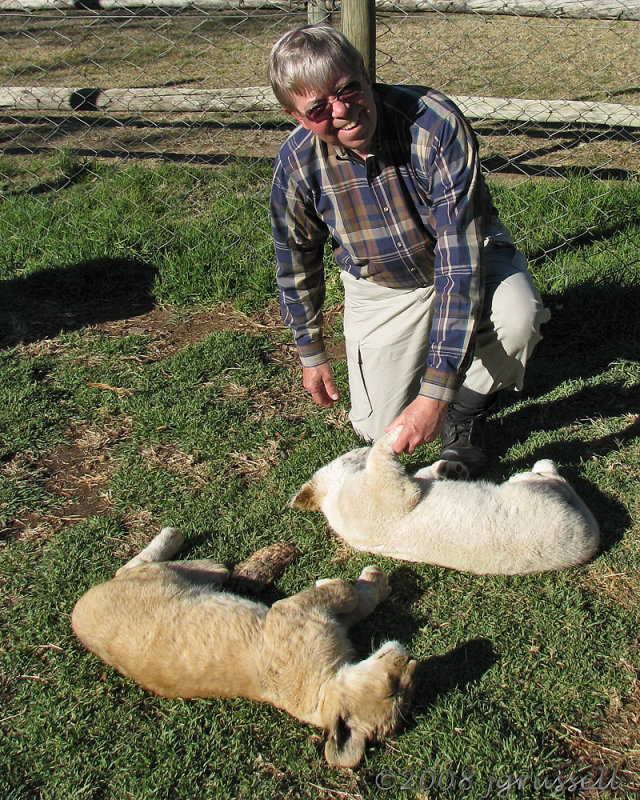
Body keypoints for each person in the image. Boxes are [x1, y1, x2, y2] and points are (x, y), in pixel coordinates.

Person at [268, 24, 550, 475]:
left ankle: (467, 412)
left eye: (348, 89)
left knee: (519, 317)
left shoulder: (434, 123)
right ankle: (444, 365)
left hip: (464, 258)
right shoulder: (296, 165)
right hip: (383, 285)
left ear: (365, 71)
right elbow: (295, 258)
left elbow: (461, 262)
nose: (342, 111)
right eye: (319, 108)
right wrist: (311, 351)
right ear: (296, 116)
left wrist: (437, 396)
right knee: (378, 429)